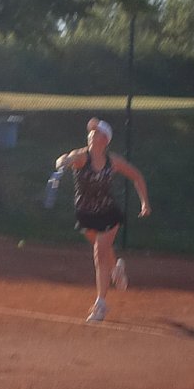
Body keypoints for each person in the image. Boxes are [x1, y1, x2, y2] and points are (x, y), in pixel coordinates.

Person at [54, 117, 150, 323]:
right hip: (85, 213)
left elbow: (137, 176)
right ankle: (116, 269)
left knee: (100, 253)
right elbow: (66, 158)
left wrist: (144, 203)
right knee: (104, 251)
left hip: (108, 213)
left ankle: (101, 304)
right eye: (91, 132)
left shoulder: (113, 161)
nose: (91, 135)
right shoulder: (81, 157)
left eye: (96, 132)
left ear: (105, 139)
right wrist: (62, 162)